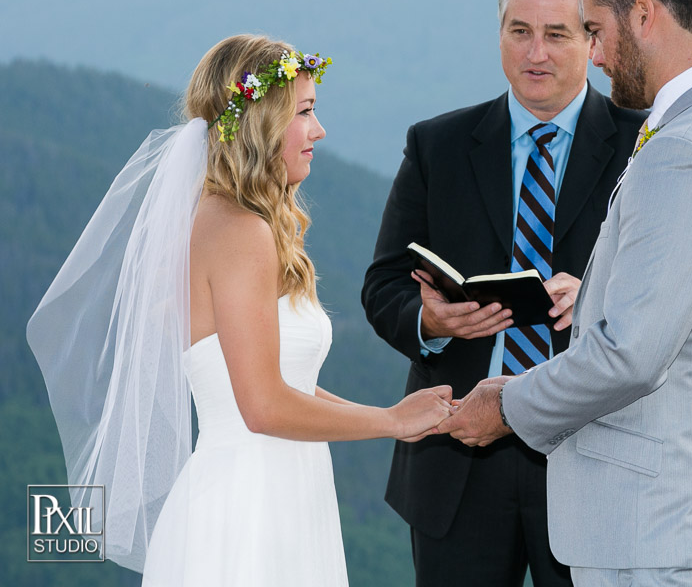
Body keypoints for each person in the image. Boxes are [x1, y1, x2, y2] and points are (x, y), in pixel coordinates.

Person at [27, 34, 453, 586]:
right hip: (249, 504)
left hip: (279, 487)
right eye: (304, 112)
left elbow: (276, 381)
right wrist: (392, 422)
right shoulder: (239, 231)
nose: (318, 130)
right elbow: (262, 406)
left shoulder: (228, 222)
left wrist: (396, 413)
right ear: (259, 122)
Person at [437, 0, 692, 587]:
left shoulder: (686, 153)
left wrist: (508, 403)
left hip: (649, 534)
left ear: (646, 13)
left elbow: (630, 354)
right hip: (678, 521)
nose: (593, 57)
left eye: (594, 30)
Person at [361, 0, 645, 586]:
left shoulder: (643, 145)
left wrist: (596, 298)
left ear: (592, 41)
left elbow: (675, 296)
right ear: (499, 37)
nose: (535, 52)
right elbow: (382, 287)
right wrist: (430, 321)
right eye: (520, 31)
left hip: (588, 454)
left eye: (557, 34)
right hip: (456, 454)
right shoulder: (437, 145)